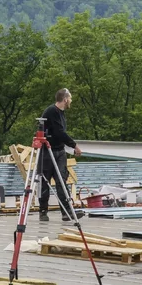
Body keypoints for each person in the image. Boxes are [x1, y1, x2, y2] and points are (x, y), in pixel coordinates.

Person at [39, 88, 82, 222]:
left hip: (59, 151)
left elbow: (60, 134)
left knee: (61, 181)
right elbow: (59, 133)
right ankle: (43, 211)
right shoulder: (52, 112)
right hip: (48, 151)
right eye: (70, 98)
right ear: (65, 99)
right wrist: (74, 145)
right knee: (45, 181)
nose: (71, 101)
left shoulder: (61, 113)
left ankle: (66, 212)